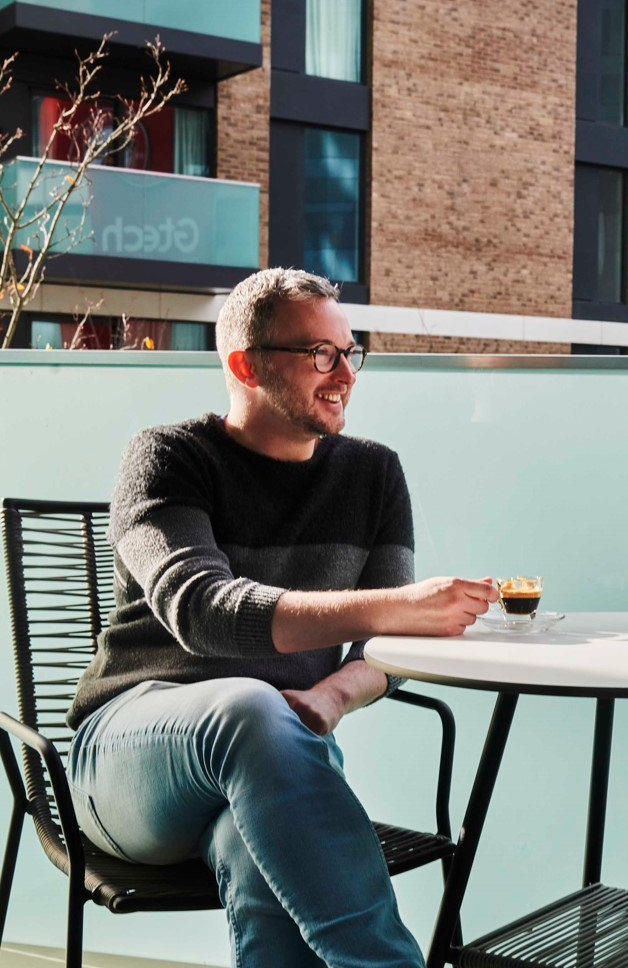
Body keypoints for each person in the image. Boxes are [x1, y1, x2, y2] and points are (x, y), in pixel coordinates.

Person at [65, 269, 499, 968]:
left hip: (268, 762)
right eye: (318, 354)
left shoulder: (371, 474)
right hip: (128, 763)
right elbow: (206, 615)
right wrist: (398, 605)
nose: (344, 374)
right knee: (249, 706)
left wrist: (331, 694)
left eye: (349, 352)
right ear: (245, 364)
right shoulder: (166, 458)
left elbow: (381, 650)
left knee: (261, 847)